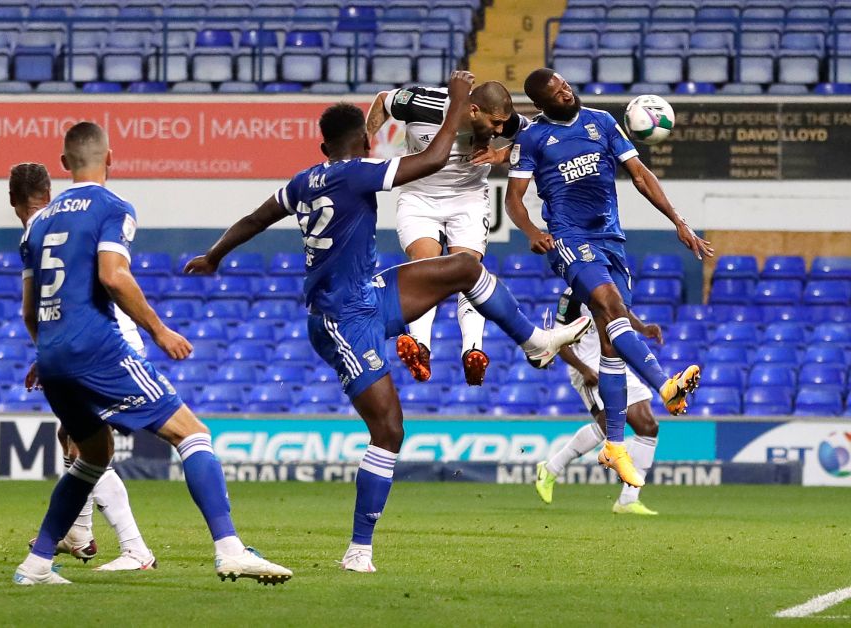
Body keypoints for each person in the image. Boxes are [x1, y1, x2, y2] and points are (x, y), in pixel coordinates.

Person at [185, 71, 591, 573]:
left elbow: (253, 219)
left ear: (322, 144)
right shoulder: (358, 172)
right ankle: (358, 551)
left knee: (466, 267)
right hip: (341, 320)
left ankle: (534, 342)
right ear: (362, 141)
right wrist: (459, 98)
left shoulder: (302, 181)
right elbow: (435, 158)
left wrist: (213, 256)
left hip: (368, 293)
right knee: (390, 429)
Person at [13, 123, 291, 586]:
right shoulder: (113, 207)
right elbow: (113, 275)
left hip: (53, 355)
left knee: (91, 456)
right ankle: (230, 549)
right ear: (111, 158)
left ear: (64, 165)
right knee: (192, 433)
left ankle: (37, 564)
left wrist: (48, 351)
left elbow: (29, 308)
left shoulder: (38, 223)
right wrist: (159, 331)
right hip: (96, 347)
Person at [505, 68, 714, 488]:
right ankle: (665, 385)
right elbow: (513, 200)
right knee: (610, 306)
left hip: (611, 239)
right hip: (569, 237)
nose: (567, 92)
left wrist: (679, 221)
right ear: (541, 105)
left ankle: (615, 446)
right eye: (557, 92)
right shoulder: (531, 139)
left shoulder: (601, 121)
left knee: (611, 345)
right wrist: (533, 233)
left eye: (566, 85)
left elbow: (640, 176)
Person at [9, 161, 157, 571]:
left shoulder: (36, 232)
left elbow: (33, 310)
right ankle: (79, 531)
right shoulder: (69, 219)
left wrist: (49, 352)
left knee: (90, 445)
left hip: (102, 340)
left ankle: (135, 550)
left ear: (11, 199)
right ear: (50, 190)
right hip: (104, 335)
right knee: (70, 435)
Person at [365, 81, 526, 386]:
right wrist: (364, 142)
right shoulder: (420, 103)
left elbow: (533, 138)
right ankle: (420, 346)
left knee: (468, 269)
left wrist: (500, 156)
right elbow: (384, 101)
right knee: (424, 262)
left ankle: (473, 351)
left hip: (468, 196)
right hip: (419, 194)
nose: (498, 129)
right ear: (473, 110)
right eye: (494, 123)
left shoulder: (505, 123)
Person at [535, 288, 661, 515]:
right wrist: (583, 370)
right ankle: (551, 469)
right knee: (608, 427)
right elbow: (558, 342)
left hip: (613, 362)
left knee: (648, 426)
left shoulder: (610, 284)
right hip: (588, 365)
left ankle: (628, 500)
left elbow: (618, 312)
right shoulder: (572, 295)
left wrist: (643, 328)